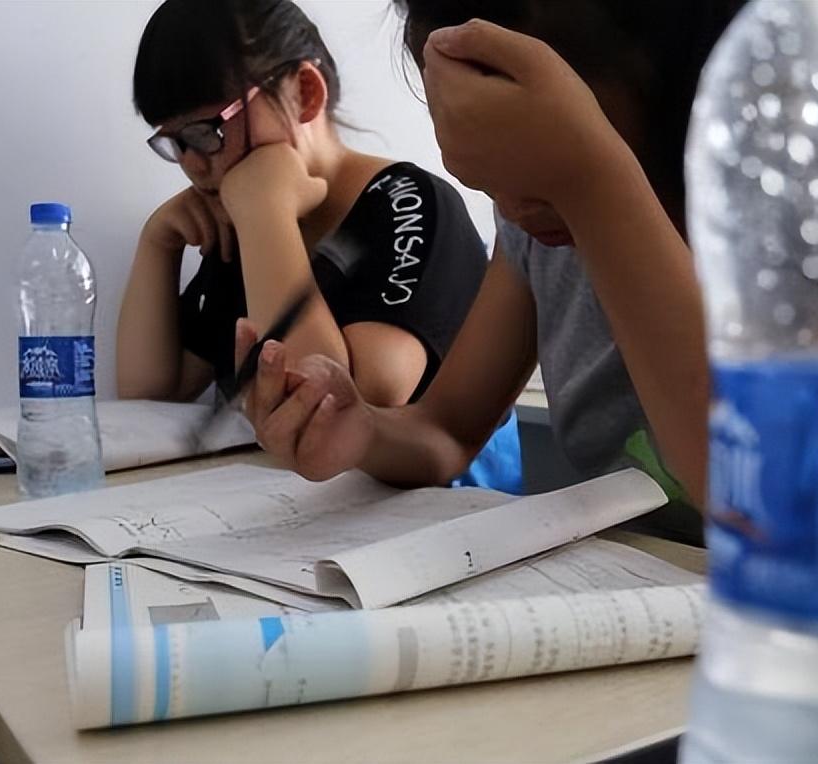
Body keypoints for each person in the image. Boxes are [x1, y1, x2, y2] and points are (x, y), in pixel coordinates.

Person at [236, 0, 747, 542]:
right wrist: (363, 431)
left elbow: (760, 493)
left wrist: (592, 183)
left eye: (539, 160)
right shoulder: (539, 236)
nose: (512, 206)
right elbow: (446, 431)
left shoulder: (783, 221)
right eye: (491, 177)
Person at [117, 0, 522, 493]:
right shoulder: (241, 224)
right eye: (174, 144)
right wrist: (158, 242)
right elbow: (151, 389)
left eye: (207, 133)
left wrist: (265, 213)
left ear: (305, 93)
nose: (194, 165)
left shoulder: (409, 202)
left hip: (439, 511)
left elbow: (351, 401)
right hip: (299, 508)